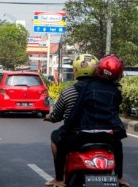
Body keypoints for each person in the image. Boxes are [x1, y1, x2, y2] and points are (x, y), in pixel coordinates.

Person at [44, 54, 129, 187]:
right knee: (118, 145)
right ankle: (120, 177)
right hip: (108, 136)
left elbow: (75, 111)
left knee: (58, 139)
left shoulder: (82, 89)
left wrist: (65, 130)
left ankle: (59, 178)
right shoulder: (115, 91)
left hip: (83, 133)